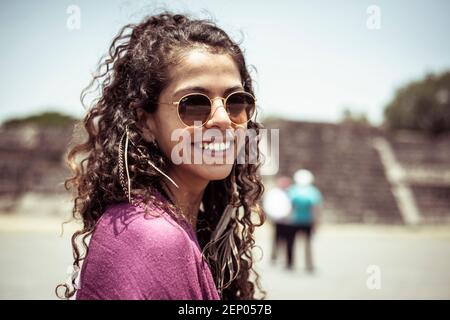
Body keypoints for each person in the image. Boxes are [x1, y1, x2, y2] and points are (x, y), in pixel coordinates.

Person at [55, 12, 265, 300]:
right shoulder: (151, 235)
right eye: (194, 104)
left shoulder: (188, 226)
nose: (223, 120)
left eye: (236, 102)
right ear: (145, 122)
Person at [286, 169, 322, 272]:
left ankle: (290, 263)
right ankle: (309, 264)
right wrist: (316, 222)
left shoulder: (292, 190)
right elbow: (316, 209)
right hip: (307, 221)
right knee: (308, 243)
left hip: (294, 221)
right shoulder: (313, 191)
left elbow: (287, 207)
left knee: (291, 243)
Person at [262, 176, 292, 262]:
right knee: (276, 239)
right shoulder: (274, 193)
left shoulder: (291, 192)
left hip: (289, 221)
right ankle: (274, 257)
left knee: (288, 241)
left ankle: (287, 259)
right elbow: (269, 205)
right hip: (278, 220)